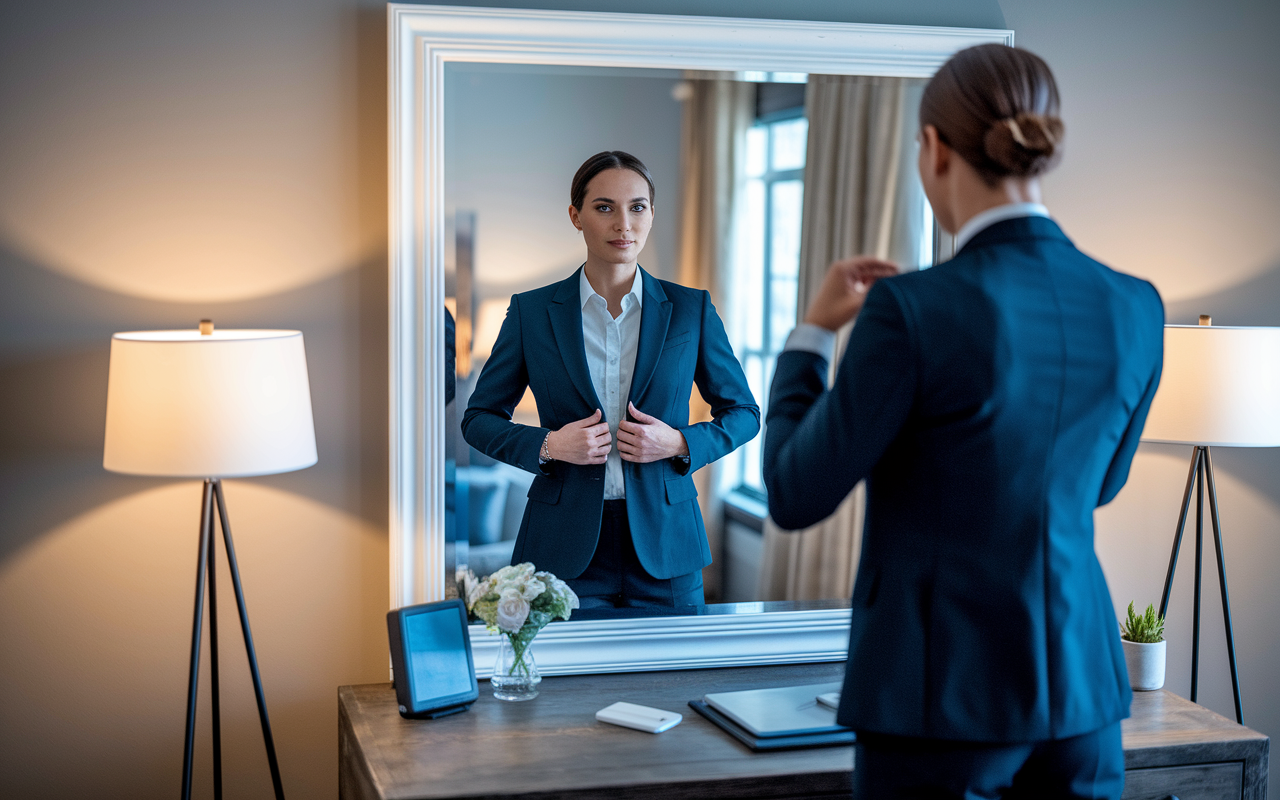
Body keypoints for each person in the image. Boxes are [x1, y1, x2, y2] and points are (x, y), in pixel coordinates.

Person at [763, 45, 1164, 799]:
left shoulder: (911, 309)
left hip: (938, 702)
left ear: (935, 148)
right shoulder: (1136, 304)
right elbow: (1100, 486)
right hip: (1082, 698)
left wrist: (812, 333)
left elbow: (792, 493)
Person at [463, 151, 759, 609]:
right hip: (562, 550)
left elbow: (744, 413)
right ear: (576, 216)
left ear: (651, 214)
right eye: (605, 207)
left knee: (675, 681)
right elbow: (478, 419)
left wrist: (680, 443)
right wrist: (549, 445)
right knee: (568, 683)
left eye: (637, 207)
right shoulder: (532, 313)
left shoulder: (691, 310)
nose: (624, 223)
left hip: (667, 547)